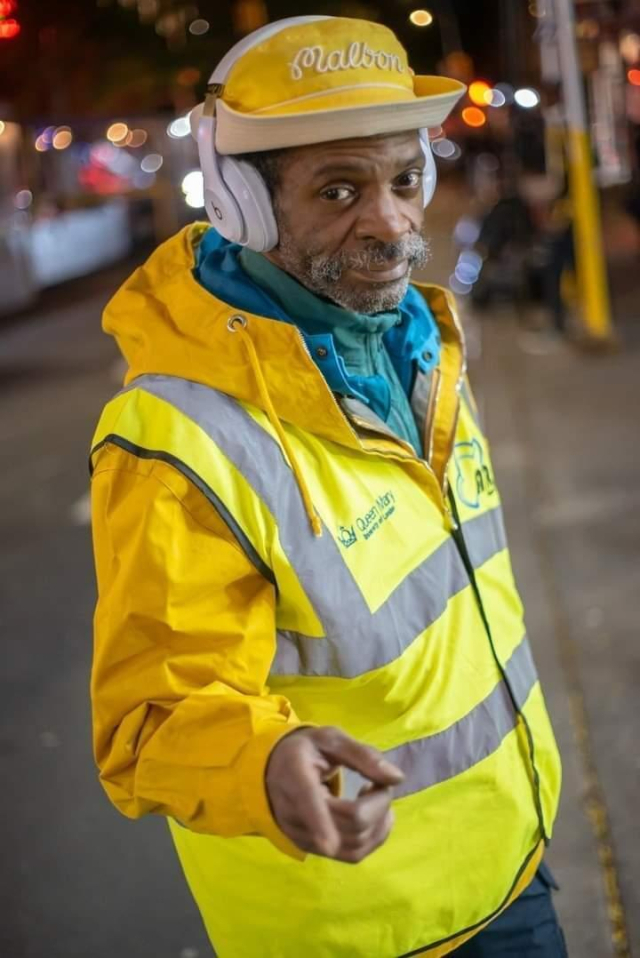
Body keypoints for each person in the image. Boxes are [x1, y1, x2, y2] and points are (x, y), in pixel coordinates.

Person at [89, 15, 565, 958]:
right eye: (339, 189)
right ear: (243, 207)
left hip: (514, 852)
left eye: (404, 179)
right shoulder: (179, 434)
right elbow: (153, 718)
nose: (390, 221)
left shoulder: (416, 343)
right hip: (364, 924)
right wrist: (264, 766)